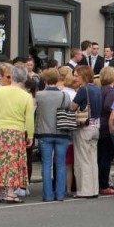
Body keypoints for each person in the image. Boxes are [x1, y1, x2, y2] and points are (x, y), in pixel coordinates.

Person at [0, 65, 34, 204]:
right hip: (16, 131)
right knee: (13, 162)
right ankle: (11, 194)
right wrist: (29, 135)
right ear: (24, 78)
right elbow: (29, 118)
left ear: (11, 76)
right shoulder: (26, 96)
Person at [35, 68, 71, 202]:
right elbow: (69, 109)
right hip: (62, 132)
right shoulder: (64, 95)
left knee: (46, 164)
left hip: (45, 133)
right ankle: (60, 194)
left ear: (45, 80)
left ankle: (48, 195)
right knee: (61, 164)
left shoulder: (39, 95)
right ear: (57, 79)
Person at [70, 65, 103, 198]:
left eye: (77, 75)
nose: (75, 78)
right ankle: (94, 189)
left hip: (84, 127)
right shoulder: (97, 88)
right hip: (95, 127)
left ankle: (85, 190)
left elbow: (73, 107)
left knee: (82, 160)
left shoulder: (83, 90)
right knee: (92, 160)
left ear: (83, 75)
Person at [97, 67, 114, 196]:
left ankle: (99, 182)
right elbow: (108, 106)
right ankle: (103, 184)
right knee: (106, 157)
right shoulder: (112, 92)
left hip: (99, 126)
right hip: (107, 127)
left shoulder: (100, 89)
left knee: (100, 157)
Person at [58, 66, 77, 196]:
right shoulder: (75, 94)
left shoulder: (61, 93)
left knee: (60, 162)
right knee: (69, 164)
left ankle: (60, 187)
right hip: (72, 130)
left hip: (59, 128)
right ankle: (69, 188)